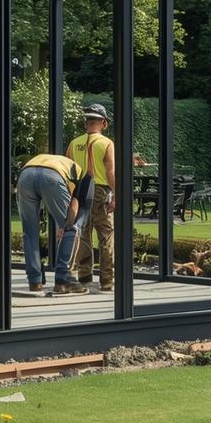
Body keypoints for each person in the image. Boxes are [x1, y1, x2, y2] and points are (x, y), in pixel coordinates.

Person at [17, 153, 89, 295]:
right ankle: (63, 281)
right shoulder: (85, 177)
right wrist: (66, 225)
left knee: (30, 233)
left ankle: (35, 282)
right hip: (52, 177)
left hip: (25, 175)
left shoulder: (61, 162)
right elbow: (78, 206)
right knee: (71, 229)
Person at [65, 103, 117, 291]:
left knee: (83, 235)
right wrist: (116, 195)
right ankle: (107, 281)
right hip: (100, 190)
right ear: (103, 122)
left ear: (86, 122)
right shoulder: (107, 143)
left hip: (79, 191)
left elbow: (69, 171)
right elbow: (110, 173)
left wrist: (71, 196)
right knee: (106, 235)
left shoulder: (74, 143)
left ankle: (85, 277)